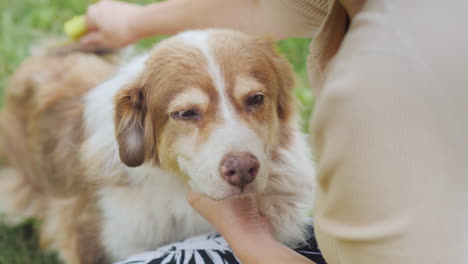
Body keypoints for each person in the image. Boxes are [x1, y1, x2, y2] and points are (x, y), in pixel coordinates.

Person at [83, 0, 468, 263]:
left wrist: (244, 230)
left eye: (254, 101)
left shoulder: (378, 85)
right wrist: (133, 23)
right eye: (188, 113)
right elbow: (267, 7)